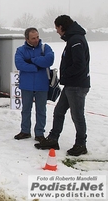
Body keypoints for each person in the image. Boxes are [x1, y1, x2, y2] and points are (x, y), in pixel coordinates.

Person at [35, 15, 90, 156]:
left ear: (62, 27)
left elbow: (79, 64)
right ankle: (53, 138)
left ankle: (81, 144)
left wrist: (65, 75)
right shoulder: (73, 39)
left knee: (77, 116)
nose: (57, 31)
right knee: (59, 111)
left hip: (77, 85)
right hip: (71, 84)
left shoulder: (76, 40)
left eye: (56, 28)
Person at [14, 27, 54, 142]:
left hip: (42, 85)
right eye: (33, 38)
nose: (36, 40)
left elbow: (49, 60)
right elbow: (19, 64)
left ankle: (39, 133)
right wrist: (36, 67)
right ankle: (25, 131)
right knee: (26, 109)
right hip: (26, 85)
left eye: (37, 37)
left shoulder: (45, 48)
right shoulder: (20, 50)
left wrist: (32, 60)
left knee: (41, 110)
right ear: (27, 39)